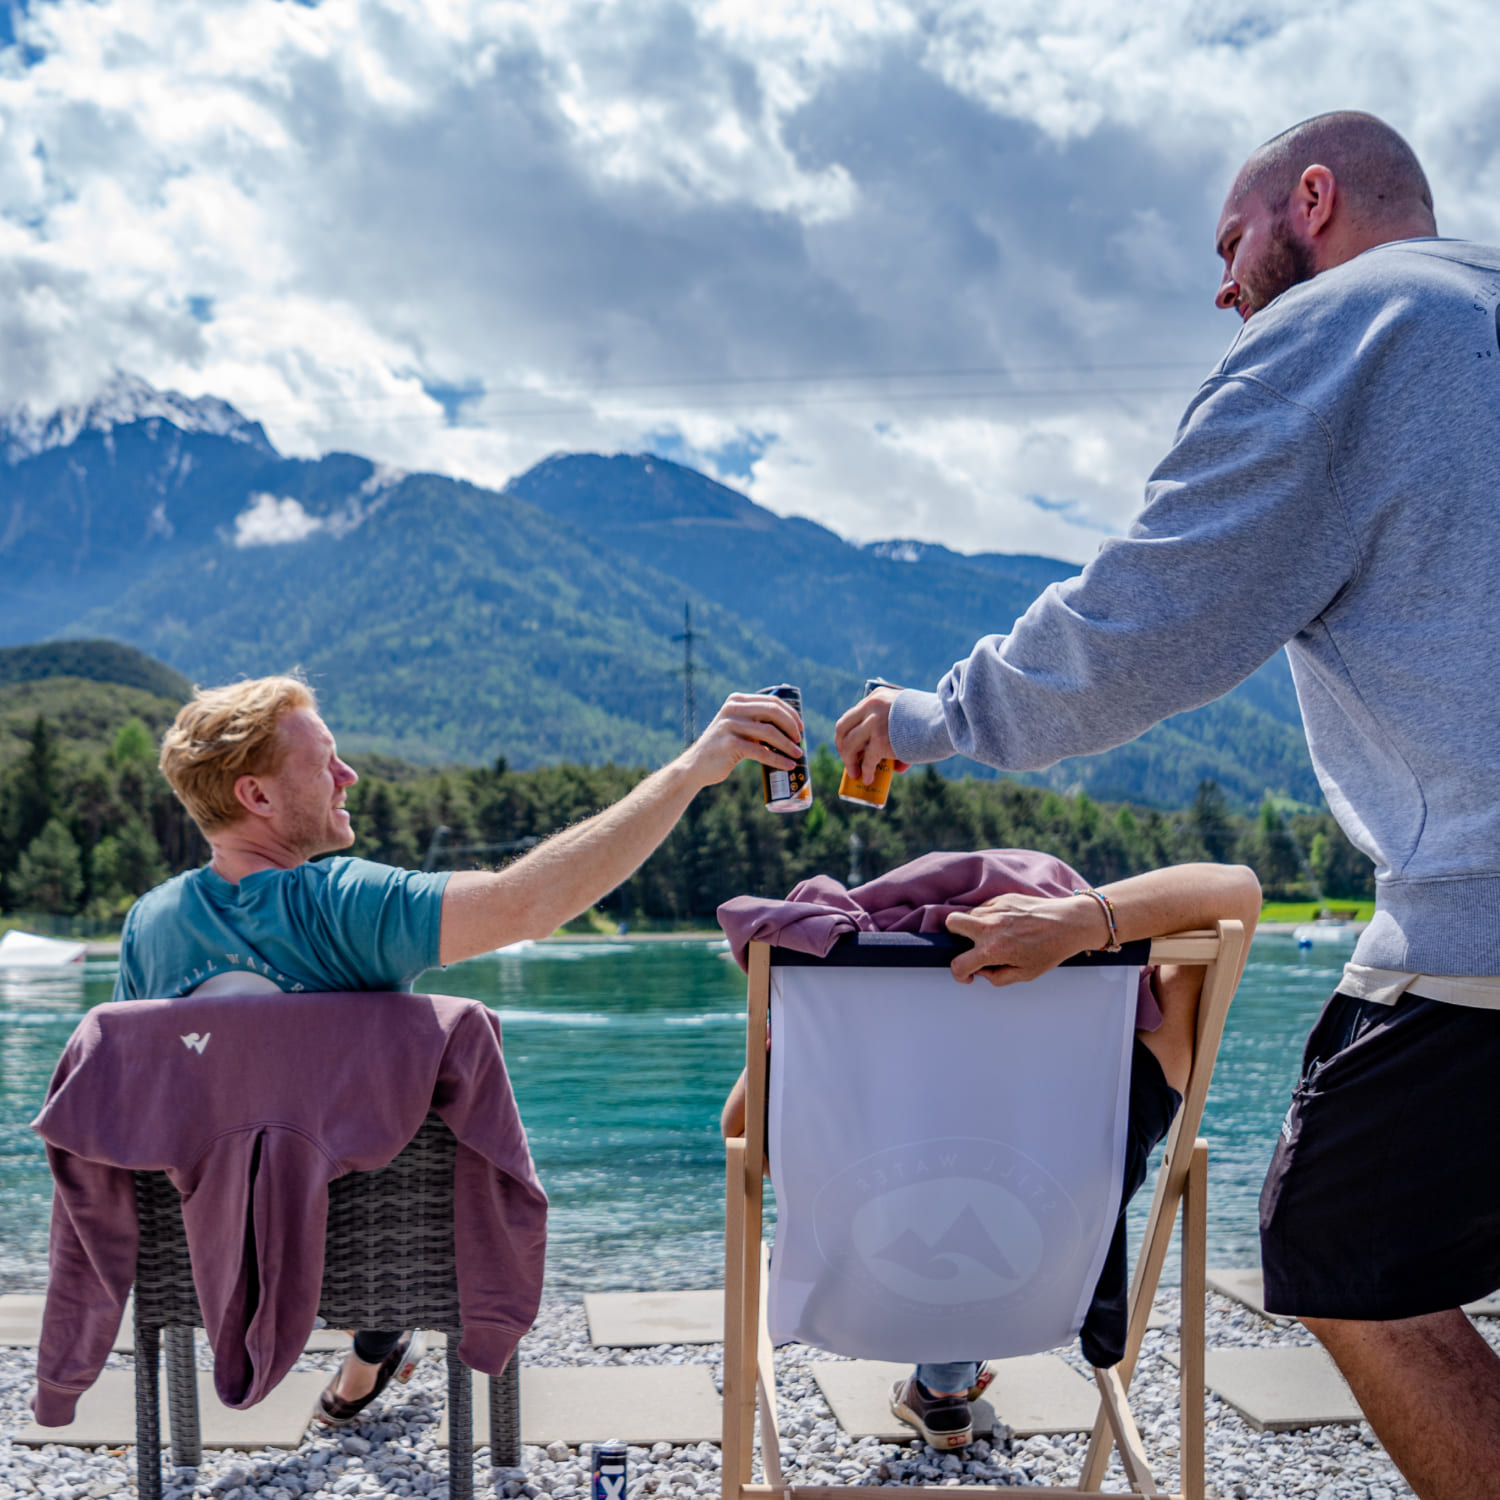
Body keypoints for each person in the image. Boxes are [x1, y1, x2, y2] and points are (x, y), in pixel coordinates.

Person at [835, 111, 1500, 1499]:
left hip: (1480, 930)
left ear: (1311, 200)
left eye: (1230, 242)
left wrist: (932, 717)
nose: (1222, 285)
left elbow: (1146, 623)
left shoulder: (1352, 333)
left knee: (1343, 1244)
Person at [123, 672, 804, 1425]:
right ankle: (378, 1338)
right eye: (325, 763)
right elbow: (528, 903)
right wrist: (689, 772)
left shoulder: (147, 927)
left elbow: (145, 1117)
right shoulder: (344, 904)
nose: (349, 776)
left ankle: (364, 1360)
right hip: (388, 1255)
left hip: (212, 1258)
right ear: (258, 797)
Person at [721, 854, 1261, 1450]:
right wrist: (1087, 921)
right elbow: (1235, 891)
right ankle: (946, 1382)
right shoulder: (1133, 1078)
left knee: (938, 1209)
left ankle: (942, 1382)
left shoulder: (837, 1040)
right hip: (1042, 1293)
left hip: (859, 1295)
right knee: (992, 1212)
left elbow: (741, 1138)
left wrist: (799, 1038)